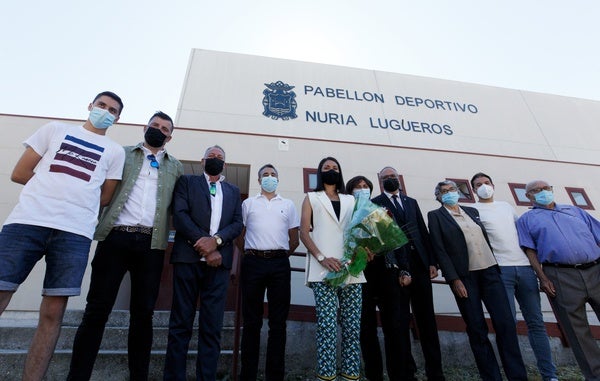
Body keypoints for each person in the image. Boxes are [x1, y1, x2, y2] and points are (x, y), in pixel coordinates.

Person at [0, 91, 126, 381]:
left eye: (112, 110)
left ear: (117, 118)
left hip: (75, 233)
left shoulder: (114, 152)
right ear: (90, 106)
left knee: (54, 311)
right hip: (27, 222)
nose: (105, 111)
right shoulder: (55, 130)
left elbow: (105, 196)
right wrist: (50, 191)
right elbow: (20, 172)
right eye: (101, 105)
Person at [67, 111, 184, 380]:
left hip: (152, 244)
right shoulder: (120, 154)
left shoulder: (175, 166)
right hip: (115, 238)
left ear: (170, 137)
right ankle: (77, 375)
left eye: (164, 128)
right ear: (145, 127)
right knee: (97, 309)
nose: (159, 130)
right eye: (154, 125)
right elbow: (98, 190)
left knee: (143, 315)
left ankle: (138, 376)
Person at [427, 180, 527, 381]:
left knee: (505, 324)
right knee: (476, 328)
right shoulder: (435, 216)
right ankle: (491, 376)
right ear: (438, 196)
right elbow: (439, 249)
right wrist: (454, 279)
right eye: (444, 192)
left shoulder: (472, 211)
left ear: (458, 192)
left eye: (452, 190)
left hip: (490, 272)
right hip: (465, 277)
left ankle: (517, 375)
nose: (449, 193)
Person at [163, 145, 243, 381]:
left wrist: (216, 242)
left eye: (220, 157)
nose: (215, 159)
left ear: (225, 164)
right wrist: (204, 245)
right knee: (180, 324)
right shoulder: (187, 183)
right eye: (211, 156)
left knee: (212, 327)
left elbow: (237, 224)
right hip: (187, 260)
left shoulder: (233, 190)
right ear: (202, 161)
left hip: (218, 266)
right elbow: (180, 215)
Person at [471, 173, 558, 381]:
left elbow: (524, 237)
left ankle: (550, 375)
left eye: (486, 183)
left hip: (526, 269)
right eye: (478, 185)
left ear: (493, 185)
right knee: (508, 324)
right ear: (473, 190)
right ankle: (517, 375)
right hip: (501, 271)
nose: (484, 187)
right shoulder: (473, 211)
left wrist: (540, 272)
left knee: (536, 322)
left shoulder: (506, 206)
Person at [363, 167, 445, 381]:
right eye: (386, 178)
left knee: (427, 319)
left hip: (419, 264)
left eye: (393, 177)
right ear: (380, 182)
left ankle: (435, 373)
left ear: (399, 179)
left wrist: (431, 262)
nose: (390, 179)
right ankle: (407, 372)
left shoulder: (412, 202)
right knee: (399, 323)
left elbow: (422, 232)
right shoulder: (374, 203)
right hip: (395, 269)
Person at [517, 179, 600, 381]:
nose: (542, 192)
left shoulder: (575, 211)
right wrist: (543, 279)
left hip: (596, 270)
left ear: (552, 190)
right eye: (536, 190)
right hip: (561, 275)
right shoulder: (526, 220)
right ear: (528, 196)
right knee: (577, 331)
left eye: (546, 188)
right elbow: (530, 252)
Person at [299, 157, 365, 381]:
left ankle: (351, 374)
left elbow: (360, 231)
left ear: (340, 172)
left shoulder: (350, 199)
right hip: (323, 271)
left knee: (352, 328)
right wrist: (321, 257)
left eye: (335, 167)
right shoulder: (311, 198)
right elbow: (304, 233)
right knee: (327, 327)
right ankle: (326, 375)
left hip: (352, 271)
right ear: (320, 172)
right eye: (326, 167)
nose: (331, 170)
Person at [238, 164, 300, 381]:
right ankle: (248, 375)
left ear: (278, 179)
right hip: (253, 263)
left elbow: (294, 239)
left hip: (280, 266)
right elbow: (240, 235)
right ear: (258, 180)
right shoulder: (248, 204)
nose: (270, 178)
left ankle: (275, 376)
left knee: (278, 322)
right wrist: (250, 254)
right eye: (265, 175)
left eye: (273, 175)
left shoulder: (289, 205)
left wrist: (279, 256)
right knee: (252, 321)